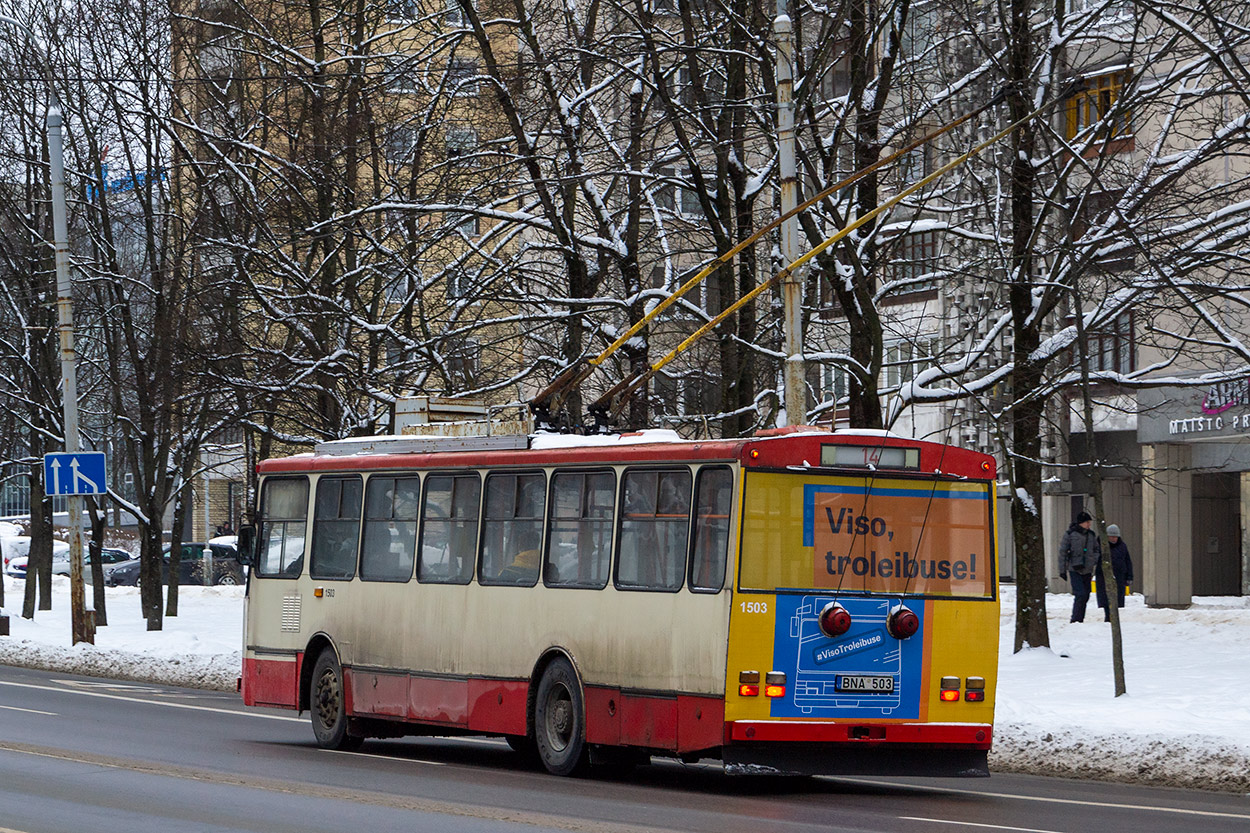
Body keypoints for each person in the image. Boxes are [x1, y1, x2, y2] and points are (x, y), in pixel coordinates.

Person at [1059, 510, 1100, 623]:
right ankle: (1075, 618)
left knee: (1086, 595)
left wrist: (1093, 560)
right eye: (1087, 522)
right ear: (1081, 523)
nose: (1089, 525)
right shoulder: (1070, 534)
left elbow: (1096, 549)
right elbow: (1063, 552)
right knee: (1080, 593)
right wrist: (1062, 570)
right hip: (1075, 569)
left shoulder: (1091, 535)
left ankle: (1080, 618)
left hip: (1087, 569)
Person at [1097, 523, 1134, 622]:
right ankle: (1108, 618)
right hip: (1104, 577)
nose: (1114, 539)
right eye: (1112, 537)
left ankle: (1114, 619)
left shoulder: (1122, 546)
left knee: (1117, 599)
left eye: (1115, 537)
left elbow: (1128, 561)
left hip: (1119, 577)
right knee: (1106, 599)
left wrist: (1129, 576)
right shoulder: (1101, 546)